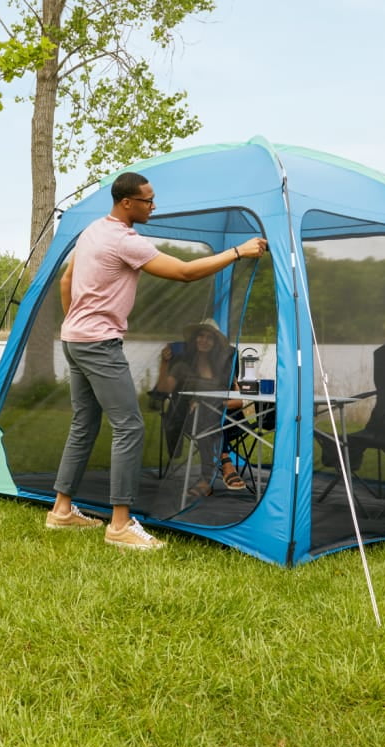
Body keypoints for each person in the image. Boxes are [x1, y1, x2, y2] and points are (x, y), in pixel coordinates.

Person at [46, 172, 268, 550]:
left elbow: (67, 281)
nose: (154, 206)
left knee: (84, 424)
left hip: (75, 340)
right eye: (148, 201)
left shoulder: (92, 231)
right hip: (99, 344)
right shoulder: (123, 240)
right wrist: (237, 252)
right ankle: (120, 525)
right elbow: (183, 273)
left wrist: (74, 324)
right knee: (129, 427)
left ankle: (62, 510)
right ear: (127, 203)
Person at [153, 320, 249, 499]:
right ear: (194, 339)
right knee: (204, 416)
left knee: (208, 413)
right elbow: (164, 389)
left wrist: (214, 403)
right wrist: (164, 363)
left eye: (209, 337)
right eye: (200, 335)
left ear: (215, 343)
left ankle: (207, 480)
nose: (203, 340)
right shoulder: (182, 365)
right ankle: (225, 461)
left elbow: (238, 401)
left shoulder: (224, 368)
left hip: (225, 417)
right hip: (190, 418)